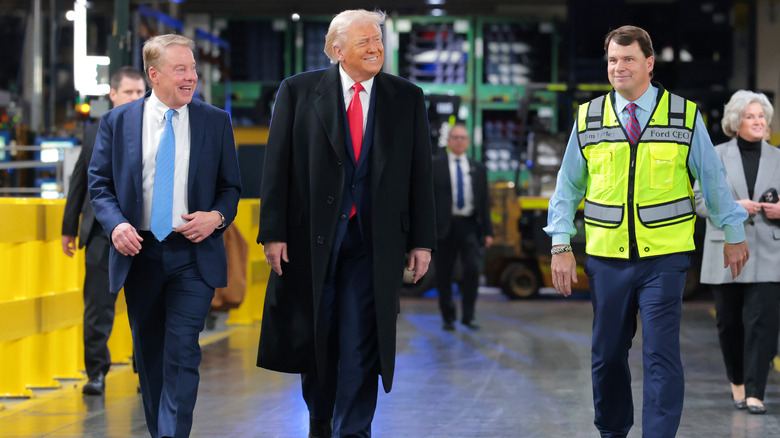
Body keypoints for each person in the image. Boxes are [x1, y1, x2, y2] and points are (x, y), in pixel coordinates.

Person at [545, 25, 750, 438]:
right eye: (612, 61)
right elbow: (567, 186)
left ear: (649, 64)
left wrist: (733, 233)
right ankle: (612, 431)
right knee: (606, 356)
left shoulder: (684, 115)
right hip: (607, 259)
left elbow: (712, 180)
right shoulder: (589, 118)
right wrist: (560, 244)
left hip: (665, 260)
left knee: (660, 355)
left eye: (628, 59)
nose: (618, 68)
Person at [255, 9, 436, 438]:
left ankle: (353, 430)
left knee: (360, 344)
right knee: (318, 341)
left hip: (374, 244)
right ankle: (321, 421)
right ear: (337, 50)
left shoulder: (406, 96)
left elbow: (419, 173)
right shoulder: (297, 92)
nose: (375, 48)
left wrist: (422, 241)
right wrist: (273, 232)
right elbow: (276, 166)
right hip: (310, 242)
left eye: (378, 40)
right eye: (364, 42)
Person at [88, 34, 241, 438]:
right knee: (151, 355)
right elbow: (99, 185)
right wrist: (117, 224)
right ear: (154, 75)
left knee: (182, 352)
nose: (191, 76)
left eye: (192, 68)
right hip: (139, 253)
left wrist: (216, 217)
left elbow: (231, 188)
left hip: (193, 253)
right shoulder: (118, 122)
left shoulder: (214, 121)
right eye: (181, 69)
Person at [694, 90, 780, 415]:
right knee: (729, 323)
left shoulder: (778, 157)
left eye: (762, 116)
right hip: (725, 252)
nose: (758, 122)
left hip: (770, 252)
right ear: (735, 121)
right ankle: (738, 383)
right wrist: (732, 207)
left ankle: (757, 392)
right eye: (750, 116)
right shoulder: (714, 155)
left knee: (764, 323)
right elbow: (700, 202)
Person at [61, 66, 145, 396]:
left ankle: (145, 371)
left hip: (143, 235)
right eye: (129, 92)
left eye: (141, 92)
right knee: (97, 309)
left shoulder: (156, 129)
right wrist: (69, 228)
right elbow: (79, 180)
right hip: (100, 235)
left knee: (145, 308)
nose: (136, 98)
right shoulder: (95, 131)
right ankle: (96, 373)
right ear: (113, 94)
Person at [432, 124, 493, 331]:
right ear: (448, 141)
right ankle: (448, 317)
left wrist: (488, 232)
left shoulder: (478, 169)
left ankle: (469, 316)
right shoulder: (435, 166)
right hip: (443, 227)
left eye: (463, 138)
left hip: (469, 226)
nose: (459, 141)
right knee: (444, 274)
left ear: (468, 142)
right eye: (455, 137)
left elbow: (484, 202)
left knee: (472, 270)